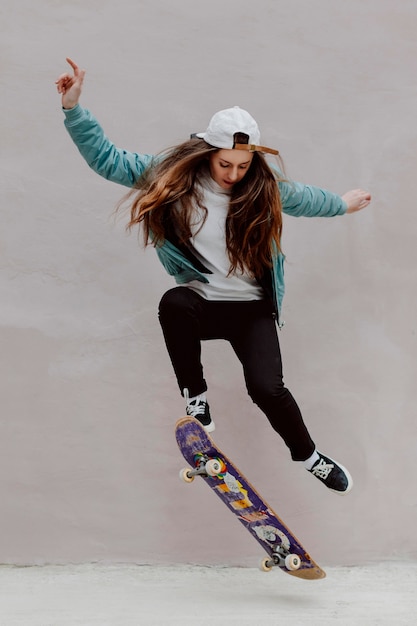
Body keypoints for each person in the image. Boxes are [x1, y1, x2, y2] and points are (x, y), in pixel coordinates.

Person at [56, 58, 371, 496]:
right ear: (208, 153)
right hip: (204, 304)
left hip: (252, 311)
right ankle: (196, 397)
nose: (233, 175)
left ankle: (309, 456)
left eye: (242, 166)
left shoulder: (262, 185)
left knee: (268, 389)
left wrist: (341, 203)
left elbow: (304, 198)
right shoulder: (169, 176)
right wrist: (74, 110)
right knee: (174, 303)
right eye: (225, 164)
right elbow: (108, 160)